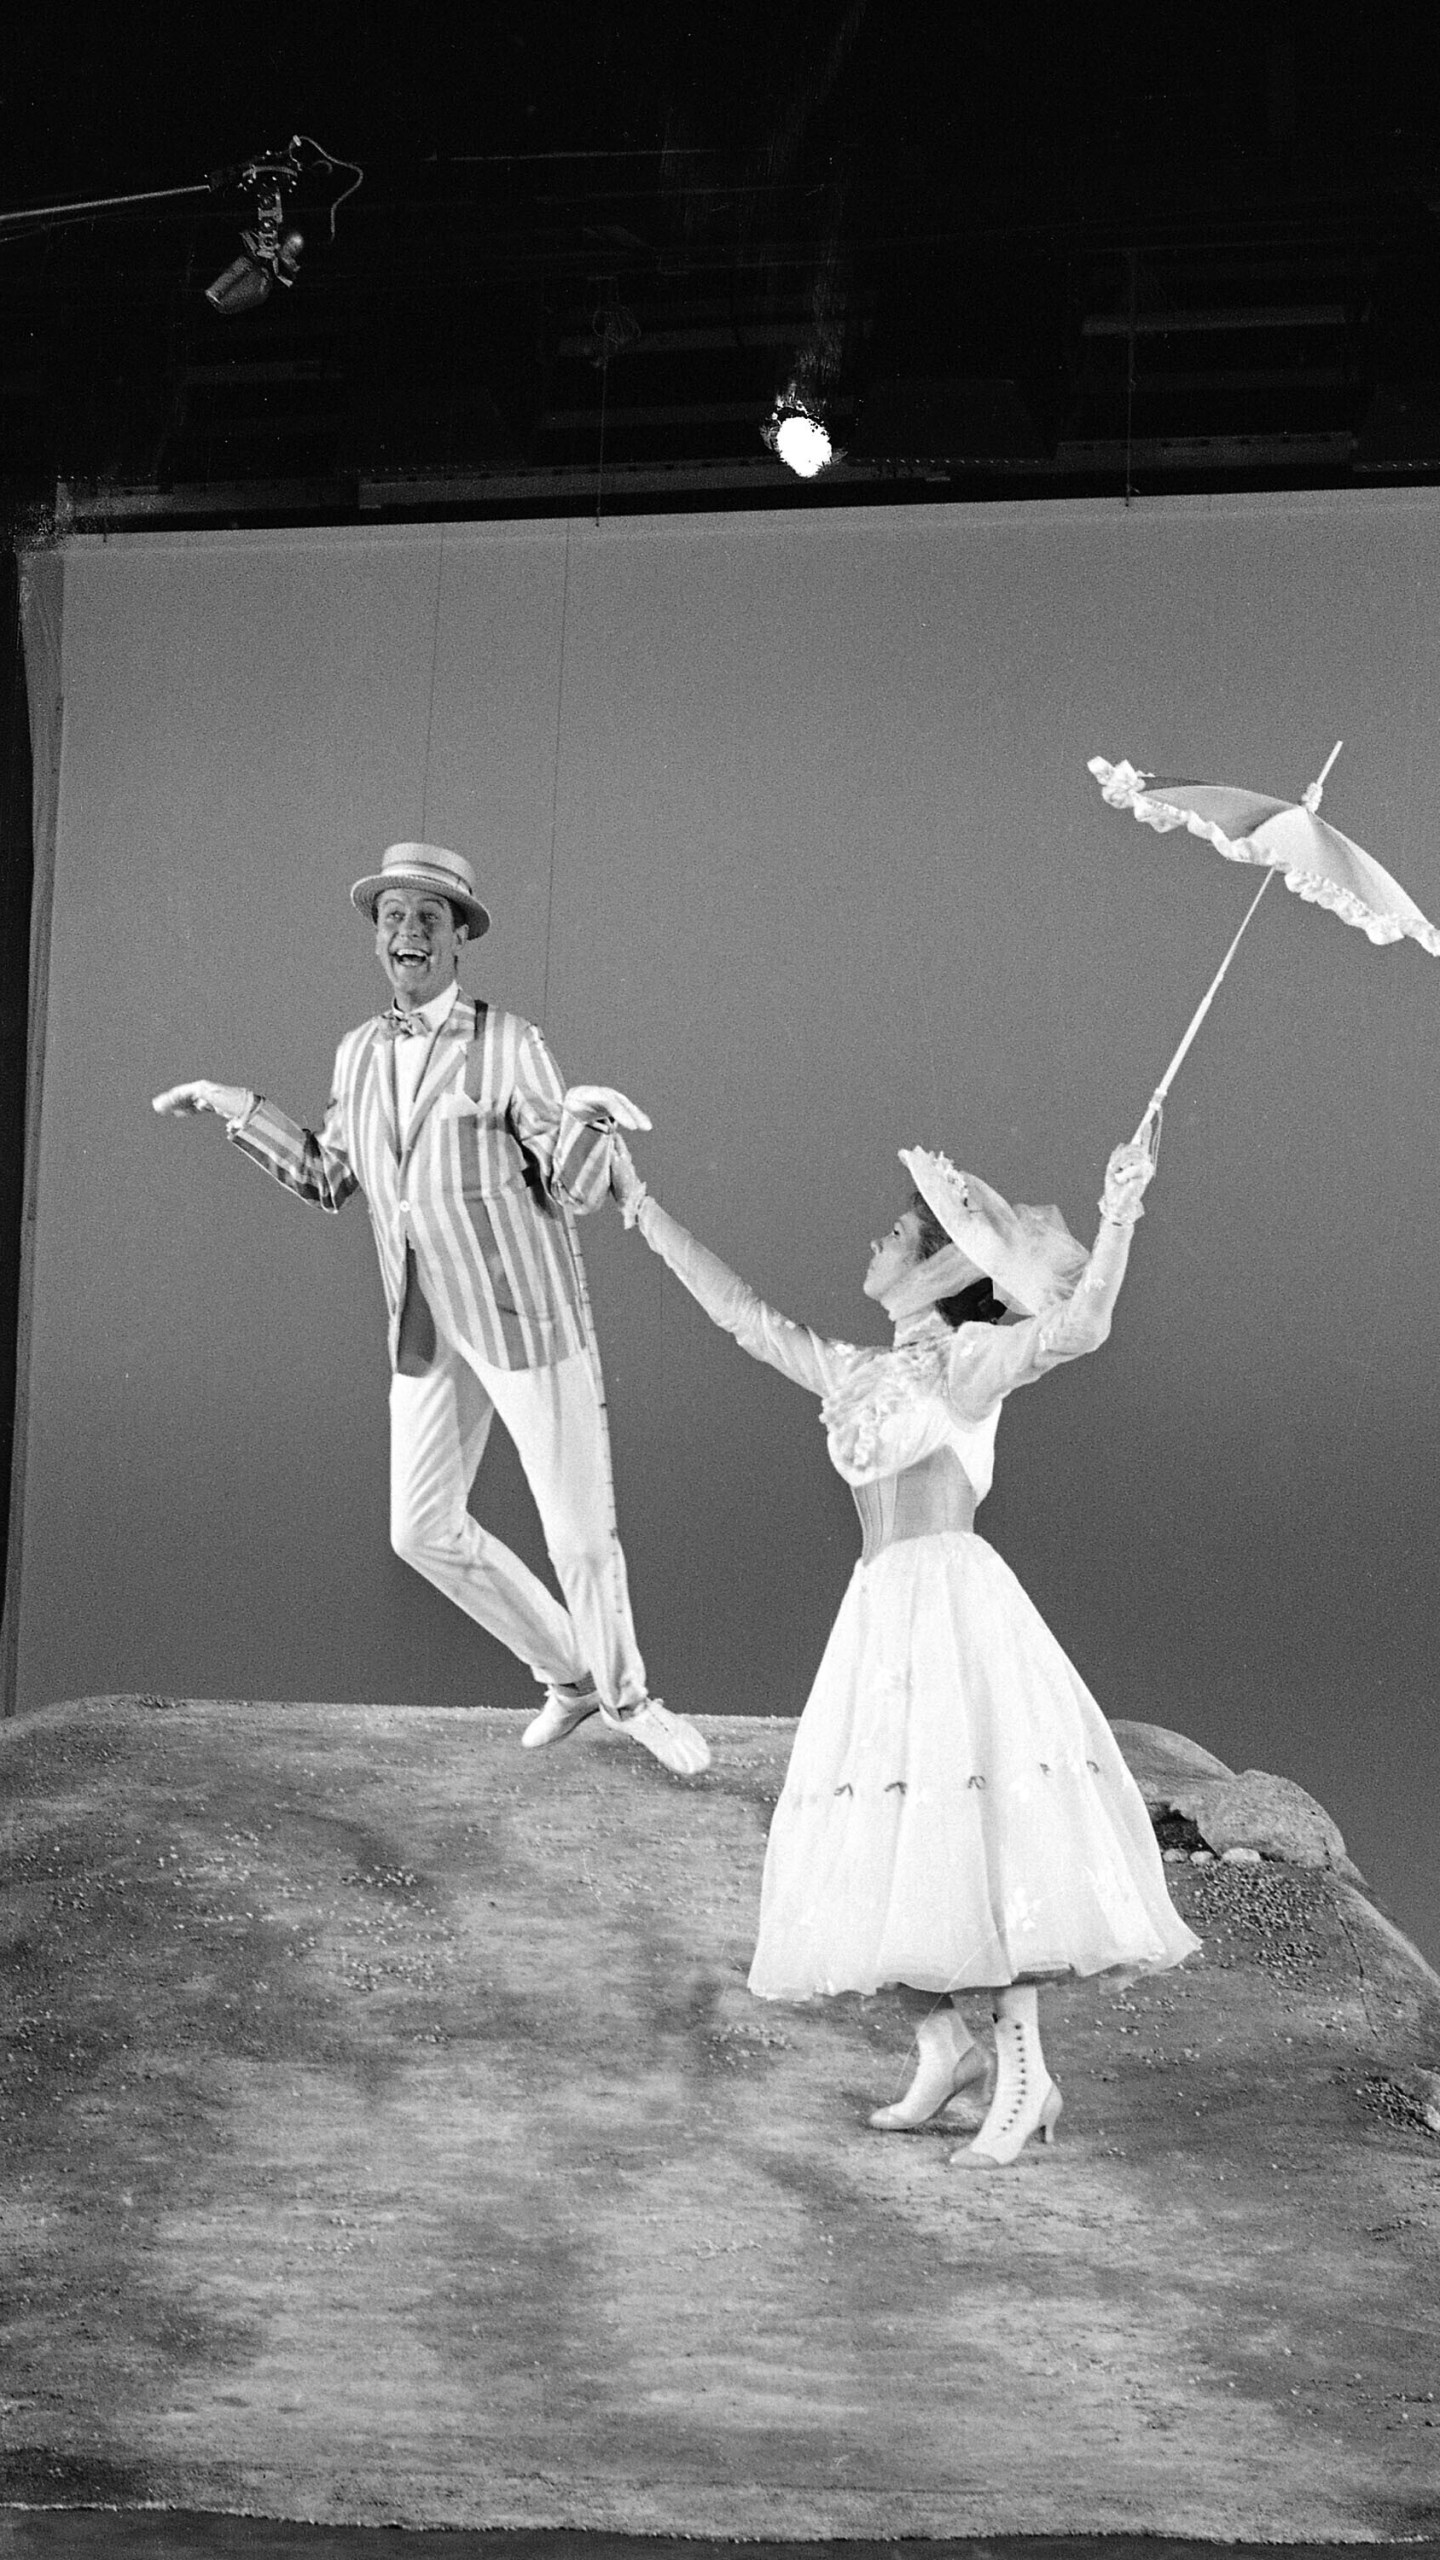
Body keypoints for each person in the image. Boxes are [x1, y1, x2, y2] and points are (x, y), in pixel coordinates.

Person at [607, 1130, 1200, 2163]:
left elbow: (1084, 1327)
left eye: (896, 1230)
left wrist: (1121, 1211)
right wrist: (640, 1205)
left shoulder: (968, 1365)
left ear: (936, 1264)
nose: (874, 1239)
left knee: (972, 1831)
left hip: (951, 1607)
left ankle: (1025, 2079)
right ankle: (945, 2048)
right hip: (880, 1614)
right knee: (883, 1839)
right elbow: (744, 1317)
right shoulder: (862, 1371)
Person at [153, 840, 709, 1778]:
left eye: (427, 919)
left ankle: (629, 1698)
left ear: (459, 939)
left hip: (524, 1317)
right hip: (424, 1321)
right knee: (420, 1529)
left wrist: (594, 1123)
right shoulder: (360, 1051)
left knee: (577, 1527)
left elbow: (571, 1192)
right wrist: (237, 1108)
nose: (407, 934)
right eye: (392, 919)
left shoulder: (511, 1043)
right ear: (377, 939)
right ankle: (569, 1675)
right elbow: (332, 1177)